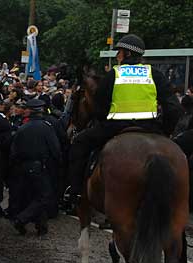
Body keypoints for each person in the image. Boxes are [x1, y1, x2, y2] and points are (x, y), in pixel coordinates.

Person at [68, 34, 183, 203]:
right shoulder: (155, 75)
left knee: (79, 142)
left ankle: (75, 190)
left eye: (119, 52)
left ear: (127, 54)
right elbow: (173, 108)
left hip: (115, 126)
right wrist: (165, 130)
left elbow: (99, 107)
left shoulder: (114, 74)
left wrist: (105, 119)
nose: (117, 56)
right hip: (150, 127)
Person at [10, 99, 61, 235]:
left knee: (34, 196)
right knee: (44, 196)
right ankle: (21, 219)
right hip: (40, 167)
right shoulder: (46, 127)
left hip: (23, 167)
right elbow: (55, 149)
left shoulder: (22, 128)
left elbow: (13, 151)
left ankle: (41, 225)